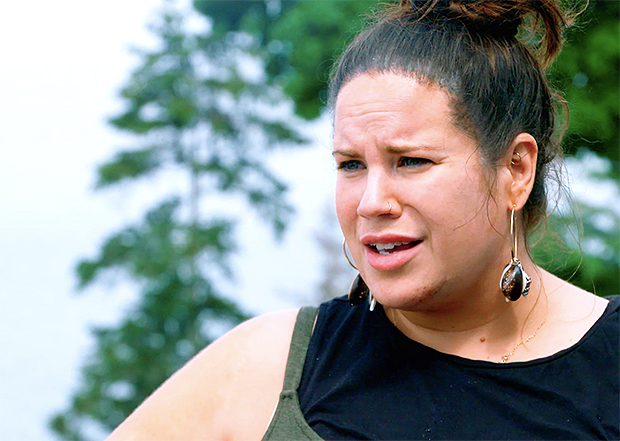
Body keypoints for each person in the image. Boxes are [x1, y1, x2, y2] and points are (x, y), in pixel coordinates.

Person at [107, 0, 619, 439]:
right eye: (351, 165)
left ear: (515, 170)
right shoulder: (266, 368)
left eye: (411, 161)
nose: (371, 202)